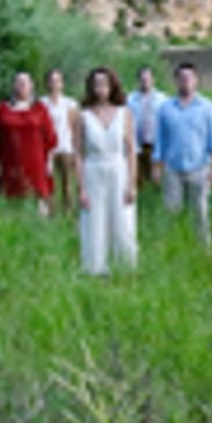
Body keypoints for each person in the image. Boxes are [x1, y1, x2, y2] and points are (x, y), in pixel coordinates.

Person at [73, 67, 138, 275]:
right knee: (94, 219)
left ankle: (125, 266)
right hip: (93, 169)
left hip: (118, 169)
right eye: (96, 84)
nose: (100, 88)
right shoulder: (82, 115)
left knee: (123, 218)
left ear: (112, 86)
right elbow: (78, 153)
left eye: (104, 84)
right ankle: (95, 267)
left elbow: (131, 150)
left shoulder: (123, 113)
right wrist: (81, 188)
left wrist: (132, 184)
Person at [154, 62, 212, 247]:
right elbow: (160, 140)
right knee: (171, 211)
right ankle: (174, 247)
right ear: (176, 81)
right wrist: (157, 167)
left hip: (200, 167)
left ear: (196, 80)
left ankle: (204, 250)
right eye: (181, 78)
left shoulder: (207, 107)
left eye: (189, 78)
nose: (185, 82)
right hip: (172, 167)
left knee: (200, 212)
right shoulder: (165, 108)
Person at [0, 72, 58, 214]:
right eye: (19, 82)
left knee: (39, 199)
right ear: (14, 86)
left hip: (36, 163)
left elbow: (50, 138)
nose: (22, 86)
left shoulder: (40, 108)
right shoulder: (3, 109)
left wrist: (49, 162)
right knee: (12, 202)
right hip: (10, 163)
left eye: (25, 82)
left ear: (32, 86)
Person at [41, 69, 78, 215]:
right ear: (47, 83)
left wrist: (76, 150)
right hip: (47, 149)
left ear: (62, 84)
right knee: (49, 182)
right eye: (51, 80)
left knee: (67, 183)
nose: (54, 84)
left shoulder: (69, 103)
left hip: (65, 147)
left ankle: (68, 212)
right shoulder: (42, 103)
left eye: (57, 81)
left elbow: (73, 127)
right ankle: (51, 212)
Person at [127, 66, 167, 188]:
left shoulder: (162, 99)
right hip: (137, 143)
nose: (145, 82)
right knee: (138, 178)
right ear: (138, 80)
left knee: (157, 178)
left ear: (153, 80)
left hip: (155, 143)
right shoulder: (130, 99)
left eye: (148, 79)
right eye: (143, 79)